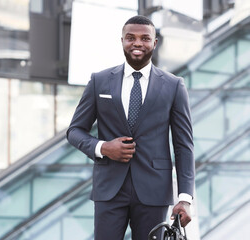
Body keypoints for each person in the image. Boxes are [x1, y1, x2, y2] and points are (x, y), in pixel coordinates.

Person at [67, 15, 195, 240]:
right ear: (122, 41)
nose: (137, 43)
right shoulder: (100, 80)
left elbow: (184, 146)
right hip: (109, 189)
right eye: (130, 38)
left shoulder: (174, 86)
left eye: (145, 38)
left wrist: (185, 197)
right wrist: (103, 147)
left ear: (155, 43)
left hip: (154, 191)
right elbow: (75, 131)